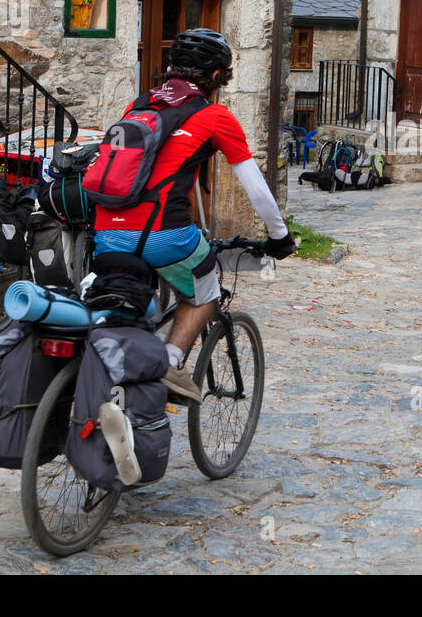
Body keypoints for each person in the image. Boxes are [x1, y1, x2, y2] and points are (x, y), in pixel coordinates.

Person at [92, 28, 296, 401]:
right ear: (218, 76)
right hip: (162, 233)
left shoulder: (139, 106)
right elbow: (256, 189)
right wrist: (280, 236)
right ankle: (170, 364)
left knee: (132, 296)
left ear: (171, 68)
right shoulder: (216, 116)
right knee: (205, 288)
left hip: (106, 229)